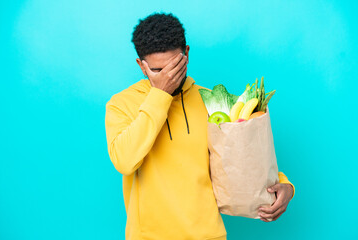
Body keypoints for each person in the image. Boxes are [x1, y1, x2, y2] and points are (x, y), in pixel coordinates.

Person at [105, 12, 295, 240]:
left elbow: (244, 156)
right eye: (158, 71)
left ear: (186, 53)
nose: (168, 77)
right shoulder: (121, 104)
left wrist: (285, 186)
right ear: (141, 65)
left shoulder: (212, 101)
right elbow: (125, 161)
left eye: (175, 66)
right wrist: (160, 95)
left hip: (208, 234)